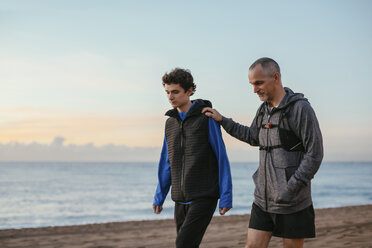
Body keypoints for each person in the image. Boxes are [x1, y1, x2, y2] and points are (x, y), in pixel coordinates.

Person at [202, 57, 323, 248]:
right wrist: (223, 120)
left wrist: (291, 187)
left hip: (292, 202)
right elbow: (252, 137)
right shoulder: (263, 110)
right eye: (252, 84)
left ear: (275, 77)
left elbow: (314, 154)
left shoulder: (301, 109)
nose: (254, 89)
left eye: (258, 83)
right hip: (262, 200)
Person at [152, 68, 233, 248]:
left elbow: (221, 157)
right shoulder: (170, 123)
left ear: (189, 91)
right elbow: (167, 161)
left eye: (175, 92)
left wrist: (226, 196)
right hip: (180, 198)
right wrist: (160, 196)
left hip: (204, 195)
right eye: (167, 92)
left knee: (183, 244)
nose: (170, 97)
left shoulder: (207, 118)